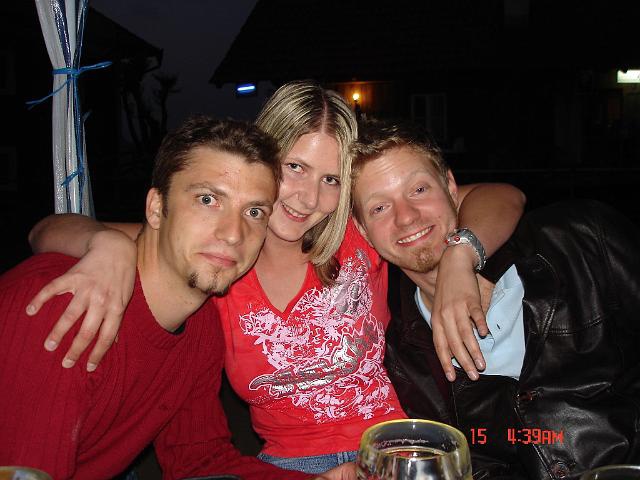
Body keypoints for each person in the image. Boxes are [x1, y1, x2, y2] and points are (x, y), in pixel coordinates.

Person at [27, 81, 525, 474]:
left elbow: (503, 196)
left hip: (393, 451)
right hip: (284, 468)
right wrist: (108, 245)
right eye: (295, 167)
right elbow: (46, 230)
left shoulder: (358, 232)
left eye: (331, 179)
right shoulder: (219, 253)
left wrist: (461, 255)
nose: (308, 198)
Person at [0, 116, 355, 480]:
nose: (233, 234)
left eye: (253, 212)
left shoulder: (200, 328)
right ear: (156, 208)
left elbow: (200, 461)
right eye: (208, 199)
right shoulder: (63, 304)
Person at [349, 117, 640, 479]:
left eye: (419, 189)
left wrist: (460, 253)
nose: (406, 217)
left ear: (451, 186)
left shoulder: (581, 243)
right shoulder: (401, 359)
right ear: (363, 230)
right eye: (379, 208)